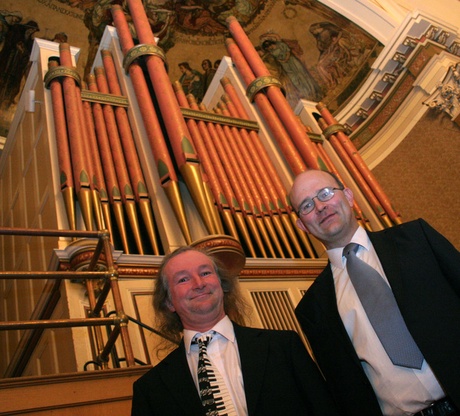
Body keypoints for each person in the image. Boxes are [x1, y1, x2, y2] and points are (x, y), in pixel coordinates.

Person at [289, 169, 460, 416]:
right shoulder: (312, 308)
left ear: (348, 196)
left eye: (325, 193)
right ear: (301, 225)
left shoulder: (416, 239)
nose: (320, 207)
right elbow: (344, 390)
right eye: (306, 205)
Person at [131, 245, 340, 416]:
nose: (199, 283)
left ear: (222, 285)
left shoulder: (284, 346)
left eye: (205, 273)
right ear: (168, 302)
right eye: (183, 279)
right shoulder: (149, 389)